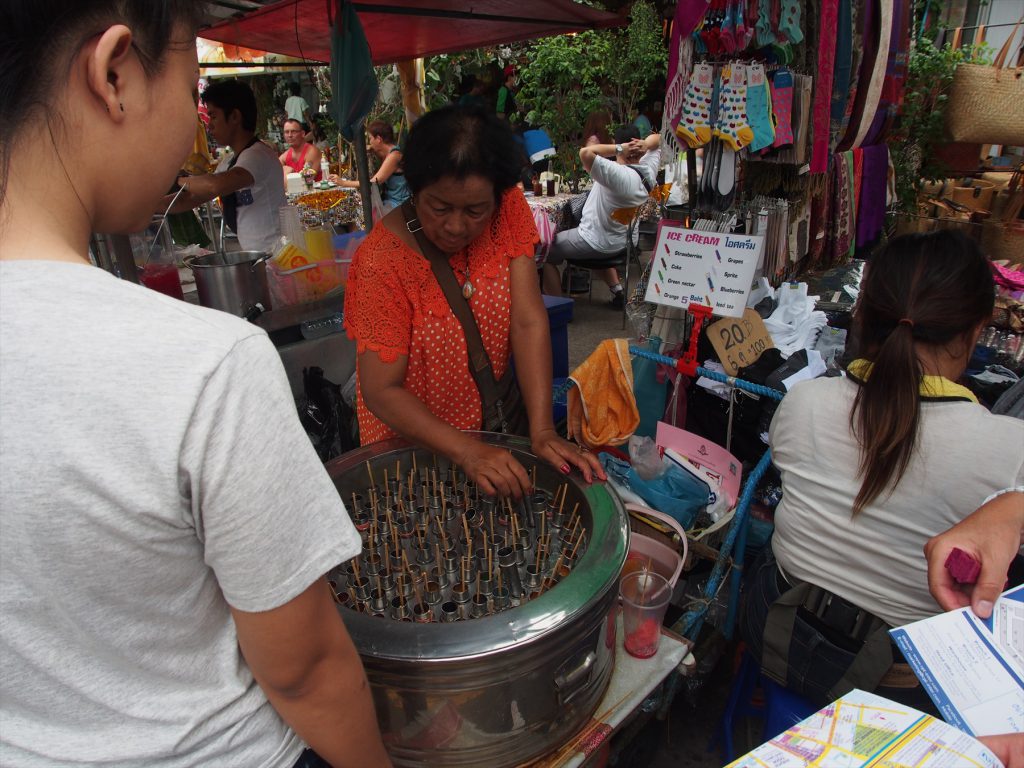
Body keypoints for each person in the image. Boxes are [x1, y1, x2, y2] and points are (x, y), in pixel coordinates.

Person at [0, 2, 389, 767]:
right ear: (116, 75)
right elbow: (304, 667)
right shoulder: (208, 366)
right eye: (187, 90)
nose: (192, 123)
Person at [740, 230, 1024, 709]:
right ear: (977, 330)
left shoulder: (804, 402)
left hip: (774, 630)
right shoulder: (1010, 450)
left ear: (864, 315)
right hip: (895, 682)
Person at [344, 106, 604, 498]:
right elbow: (381, 389)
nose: (455, 226)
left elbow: (528, 321)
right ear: (415, 189)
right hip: (410, 451)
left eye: (474, 210)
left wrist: (542, 429)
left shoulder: (509, 208)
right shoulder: (381, 261)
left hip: (491, 427)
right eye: (440, 207)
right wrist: (467, 451)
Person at [542, 126, 661, 307]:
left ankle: (558, 307)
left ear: (619, 144)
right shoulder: (648, 169)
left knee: (546, 250)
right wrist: (645, 144)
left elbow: (584, 153)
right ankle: (617, 291)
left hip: (597, 241)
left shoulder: (617, 174)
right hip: (625, 241)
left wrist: (619, 148)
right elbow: (660, 138)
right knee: (600, 235)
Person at [167, 79, 286, 253]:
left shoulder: (258, 155)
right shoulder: (229, 162)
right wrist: (148, 206)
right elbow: (189, 198)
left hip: (278, 257)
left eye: (214, 116)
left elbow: (216, 185)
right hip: (259, 255)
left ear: (235, 117)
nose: (209, 125)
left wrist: (177, 179)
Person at [334, 120, 410, 211]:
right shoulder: (386, 153)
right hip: (389, 201)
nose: (369, 142)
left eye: (370, 138)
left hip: (398, 204)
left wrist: (344, 183)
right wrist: (371, 150)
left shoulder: (394, 156)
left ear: (378, 139)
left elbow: (374, 182)